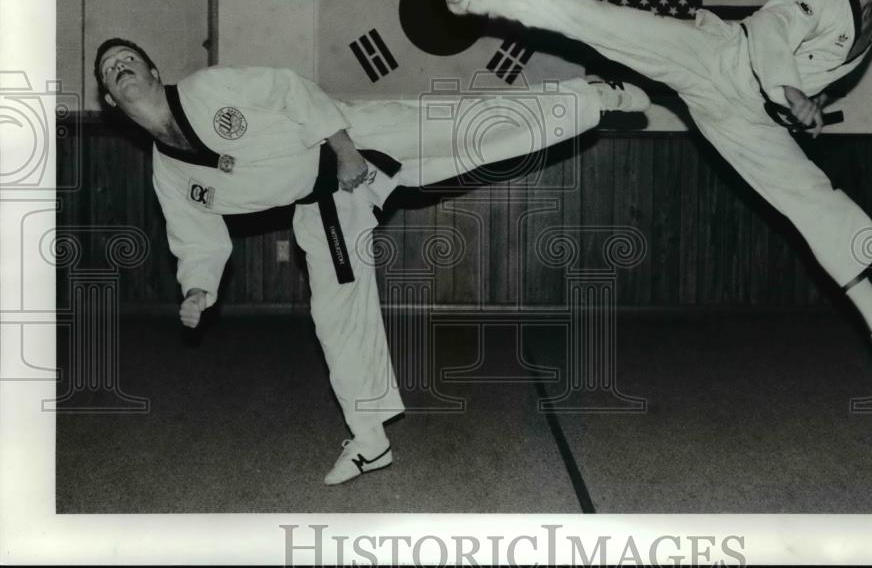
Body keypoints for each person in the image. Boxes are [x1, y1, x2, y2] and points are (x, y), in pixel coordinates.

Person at [94, 38, 649, 485]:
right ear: (111, 102)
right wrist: (197, 288)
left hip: (355, 138)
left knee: (466, 128)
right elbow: (197, 238)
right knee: (336, 318)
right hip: (323, 206)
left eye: (128, 59)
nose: (120, 67)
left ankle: (593, 98)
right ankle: (370, 442)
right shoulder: (170, 172)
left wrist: (346, 152)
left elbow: (293, 90)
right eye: (109, 70)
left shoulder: (208, 89)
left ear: (152, 68)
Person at [431, 0, 872, 354]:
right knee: (608, 23)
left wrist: (805, 101)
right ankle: (478, 1)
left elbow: (817, 67)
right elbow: (774, 28)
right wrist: (790, 89)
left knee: (810, 194)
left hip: (745, 116)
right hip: (719, 59)